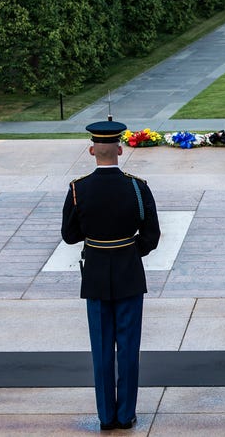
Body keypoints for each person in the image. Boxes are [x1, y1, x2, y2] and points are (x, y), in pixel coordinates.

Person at [61, 120, 160, 431]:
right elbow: (151, 235)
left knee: (102, 348)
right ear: (120, 149)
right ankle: (126, 414)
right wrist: (130, 251)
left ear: (92, 150)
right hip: (129, 272)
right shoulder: (137, 186)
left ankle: (106, 416)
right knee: (128, 348)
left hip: (95, 275)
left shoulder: (79, 189)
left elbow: (69, 235)